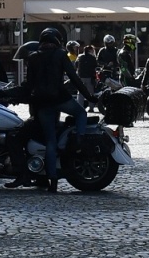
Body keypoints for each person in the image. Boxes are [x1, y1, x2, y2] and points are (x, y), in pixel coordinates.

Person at [18, 27, 94, 191]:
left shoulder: (33, 57)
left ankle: (52, 180)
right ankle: (79, 140)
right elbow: (74, 78)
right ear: (57, 40)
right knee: (81, 113)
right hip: (60, 98)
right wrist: (88, 96)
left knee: (50, 141)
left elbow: (28, 85)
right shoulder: (60, 55)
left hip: (42, 103)